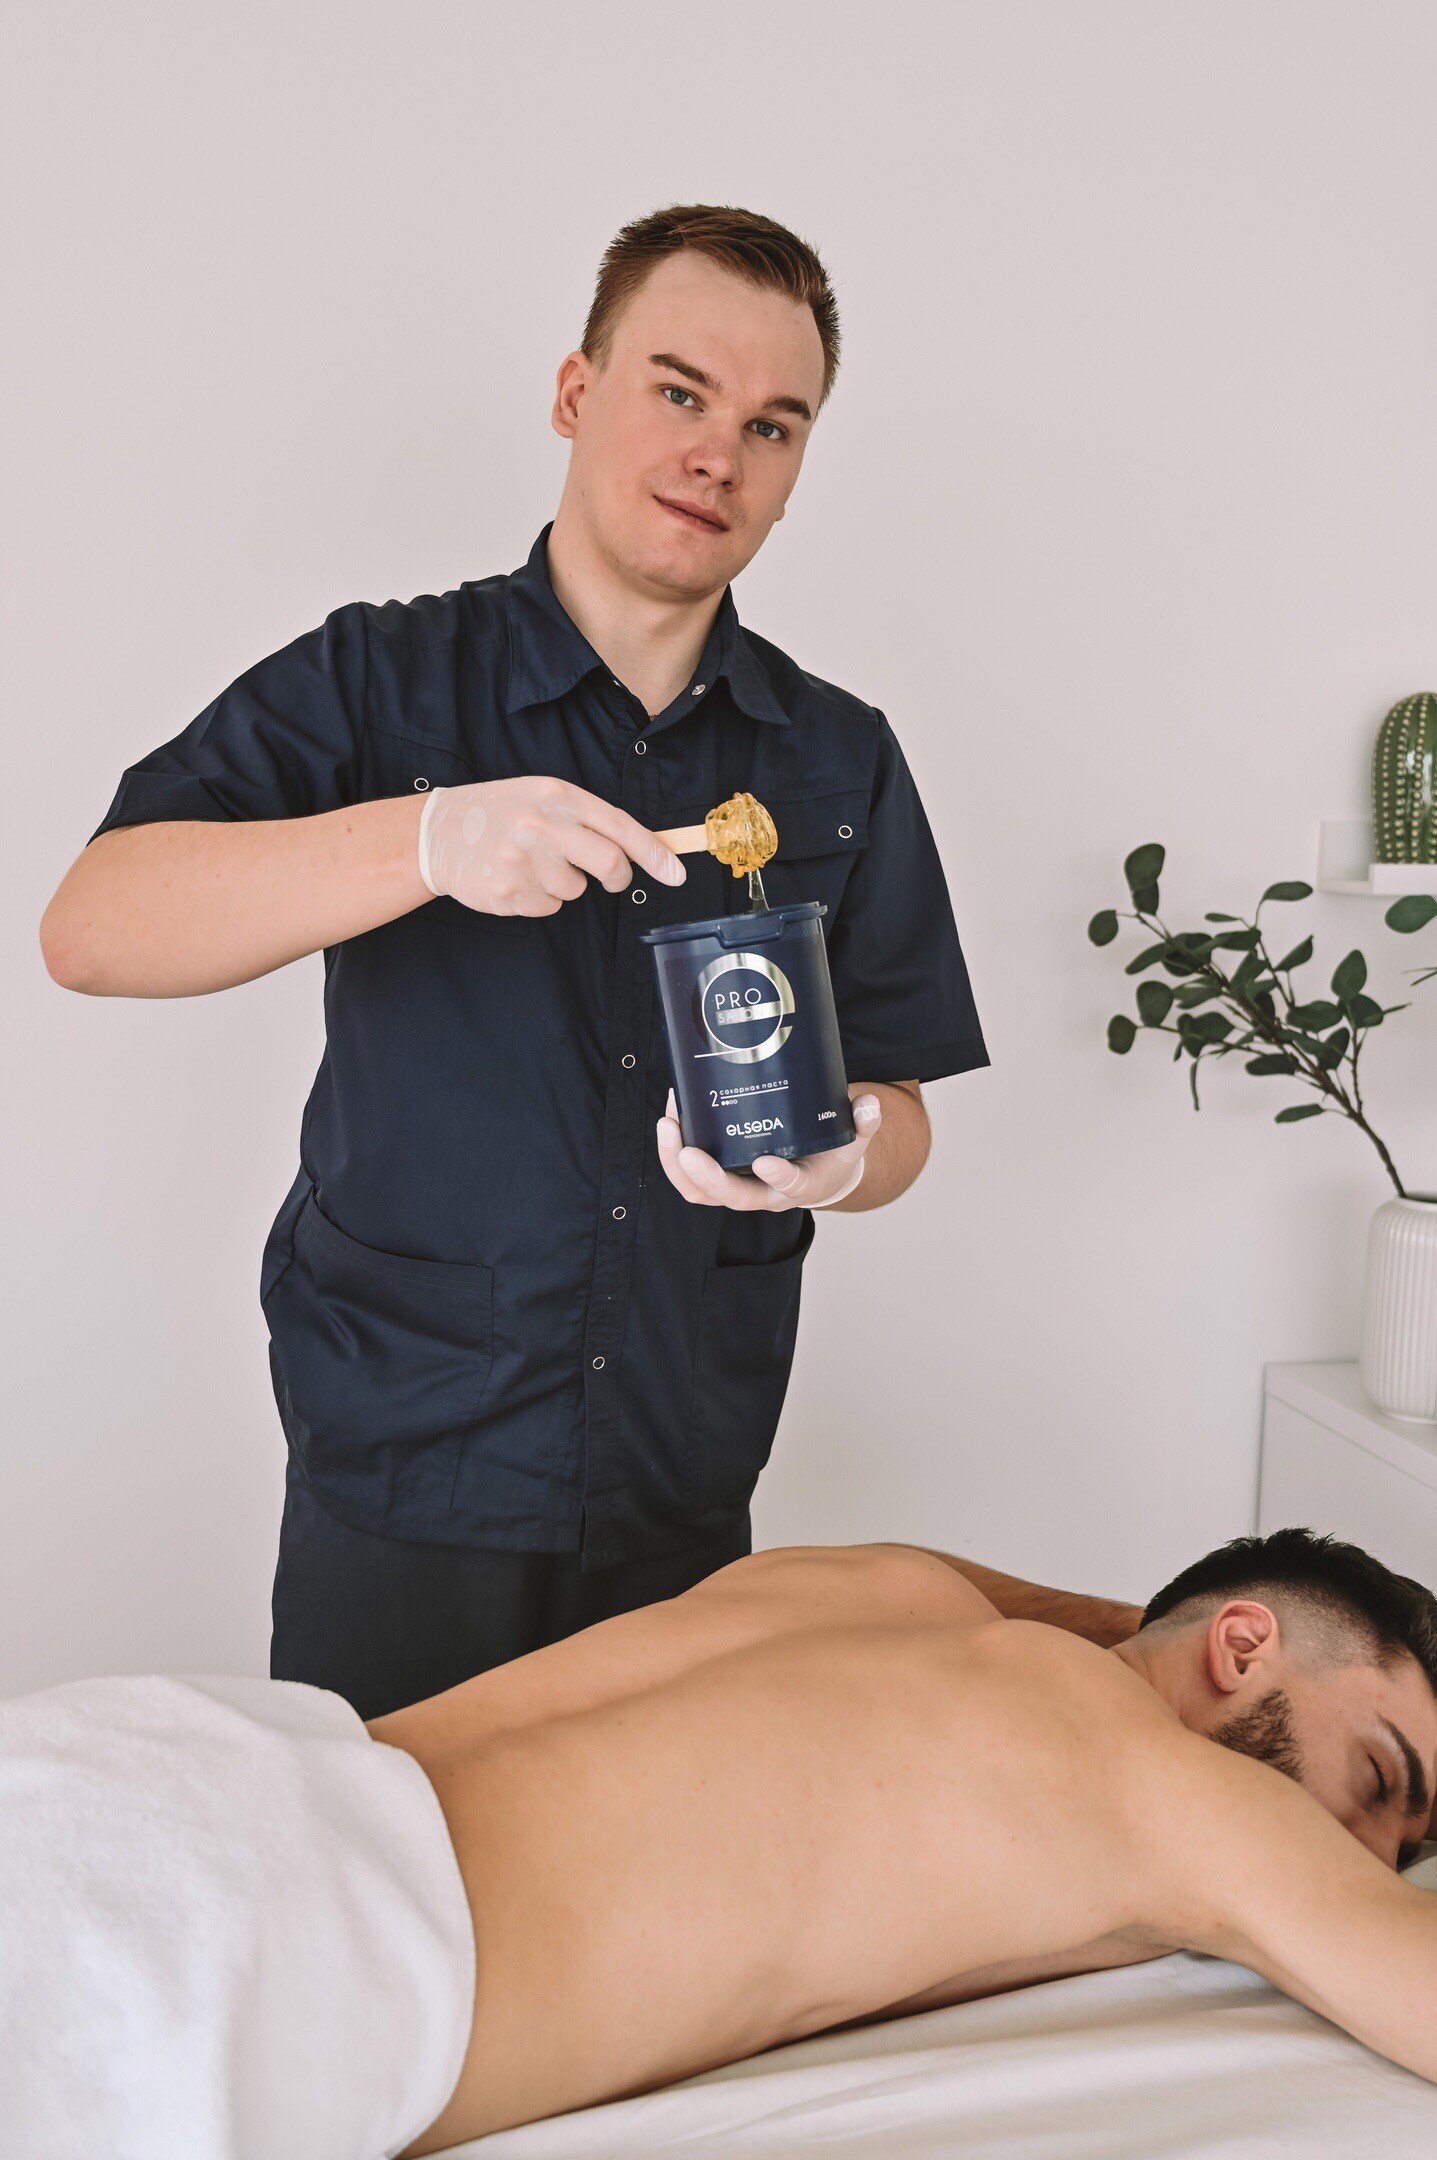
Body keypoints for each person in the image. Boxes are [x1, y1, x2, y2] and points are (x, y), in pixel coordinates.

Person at [38, 204, 988, 1717]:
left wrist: (849, 1154)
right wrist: (421, 842)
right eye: (678, 392)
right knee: (381, 1859)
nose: (718, 456)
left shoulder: (839, 756)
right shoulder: (379, 677)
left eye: (771, 425)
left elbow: (902, 1106)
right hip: (405, 1463)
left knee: (660, 1870)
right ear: (574, 393)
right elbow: (92, 928)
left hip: (683, 1477)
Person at [2, 1529, 1433, 2158]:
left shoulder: (888, 1584)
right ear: (1243, 1645)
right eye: (1381, 1777)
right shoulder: (1154, 1789)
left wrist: (1181, 1629)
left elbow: (1118, 1626)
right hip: (241, 1970)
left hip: (152, 1770)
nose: (1364, 1854)